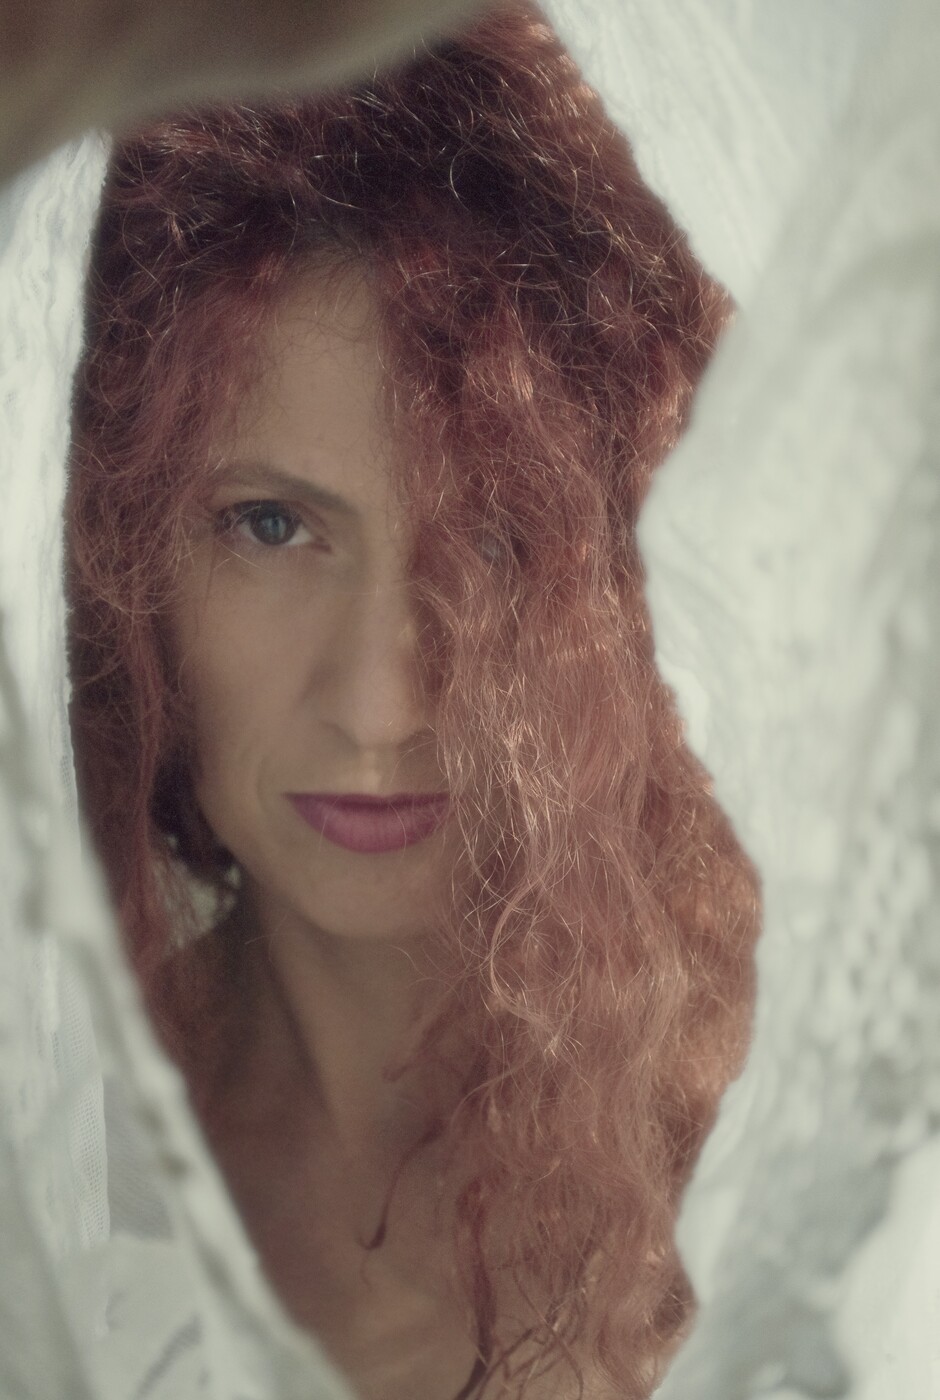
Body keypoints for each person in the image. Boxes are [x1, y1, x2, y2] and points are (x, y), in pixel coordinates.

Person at [65, 4, 761, 1397]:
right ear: (122, 559)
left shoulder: (808, 1148)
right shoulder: (55, 1149)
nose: (383, 706)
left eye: (497, 539)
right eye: (271, 526)